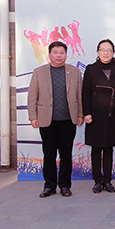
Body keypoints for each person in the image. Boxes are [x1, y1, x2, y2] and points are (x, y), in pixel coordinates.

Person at [28, 41, 83, 198]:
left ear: (66, 55)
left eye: (62, 52)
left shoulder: (74, 72)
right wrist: (33, 116)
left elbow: (80, 95)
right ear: (49, 54)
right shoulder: (39, 72)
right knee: (49, 154)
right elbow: (32, 95)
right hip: (47, 120)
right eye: (55, 52)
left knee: (66, 154)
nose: (59, 55)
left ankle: (65, 185)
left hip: (68, 120)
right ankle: (49, 186)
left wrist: (80, 114)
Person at [82, 39, 115, 194]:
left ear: (113, 52)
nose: (106, 53)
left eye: (109, 50)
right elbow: (85, 92)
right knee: (96, 149)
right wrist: (86, 113)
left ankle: (107, 181)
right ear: (98, 52)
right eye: (103, 49)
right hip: (95, 115)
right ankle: (97, 181)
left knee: (109, 148)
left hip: (113, 115)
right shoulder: (91, 69)